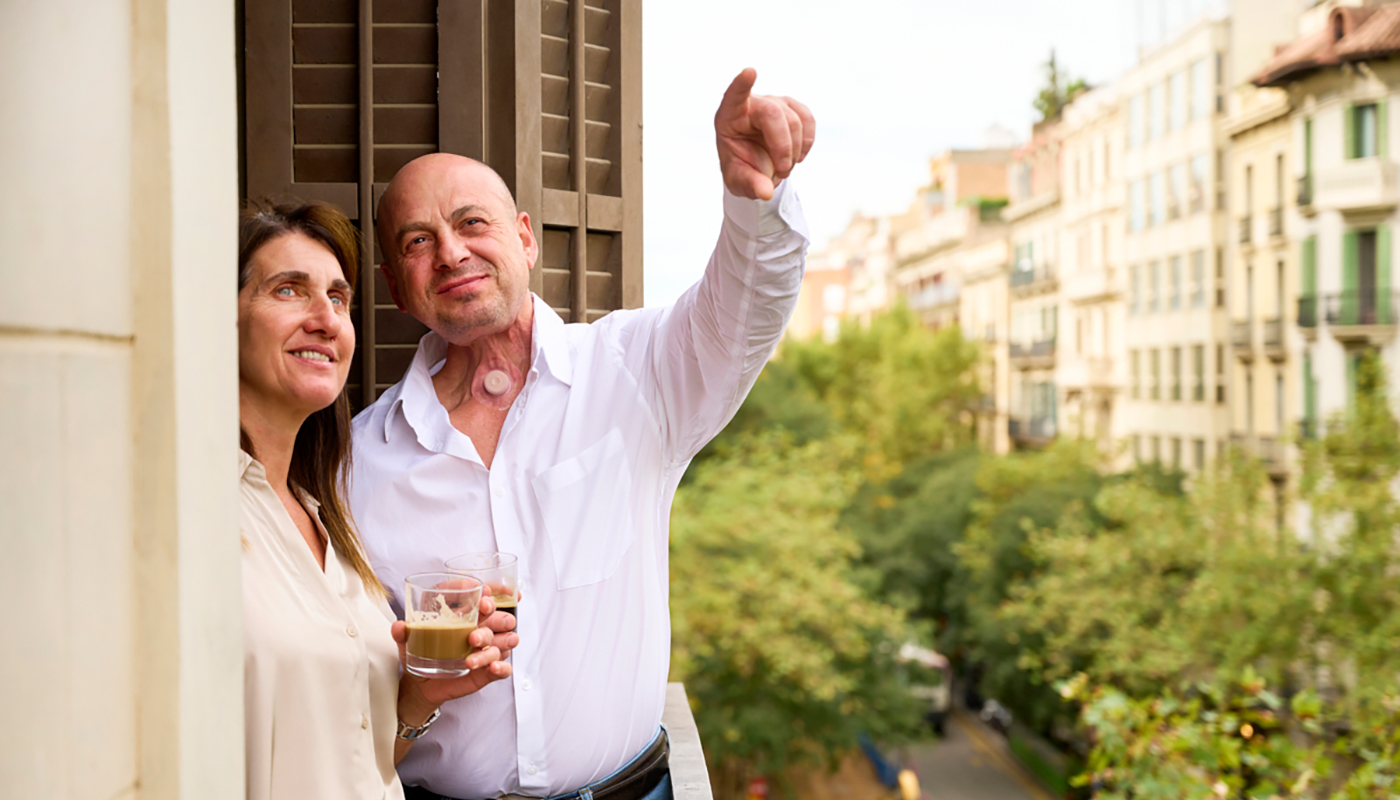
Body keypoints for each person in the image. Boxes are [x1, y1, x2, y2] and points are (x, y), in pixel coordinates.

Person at [347, 68, 814, 800]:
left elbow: (744, 315)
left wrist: (755, 202)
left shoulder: (635, 372)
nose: (451, 252)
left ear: (525, 240)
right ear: (395, 283)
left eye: (473, 223)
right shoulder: (358, 462)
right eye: (418, 240)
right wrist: (414, 685)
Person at [237, 201, 521, 800]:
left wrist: (421, 691)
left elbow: (360, 759)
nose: (324, 318)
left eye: (338, 299)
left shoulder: (325, 516)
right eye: (289, 290)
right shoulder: (188, 515)